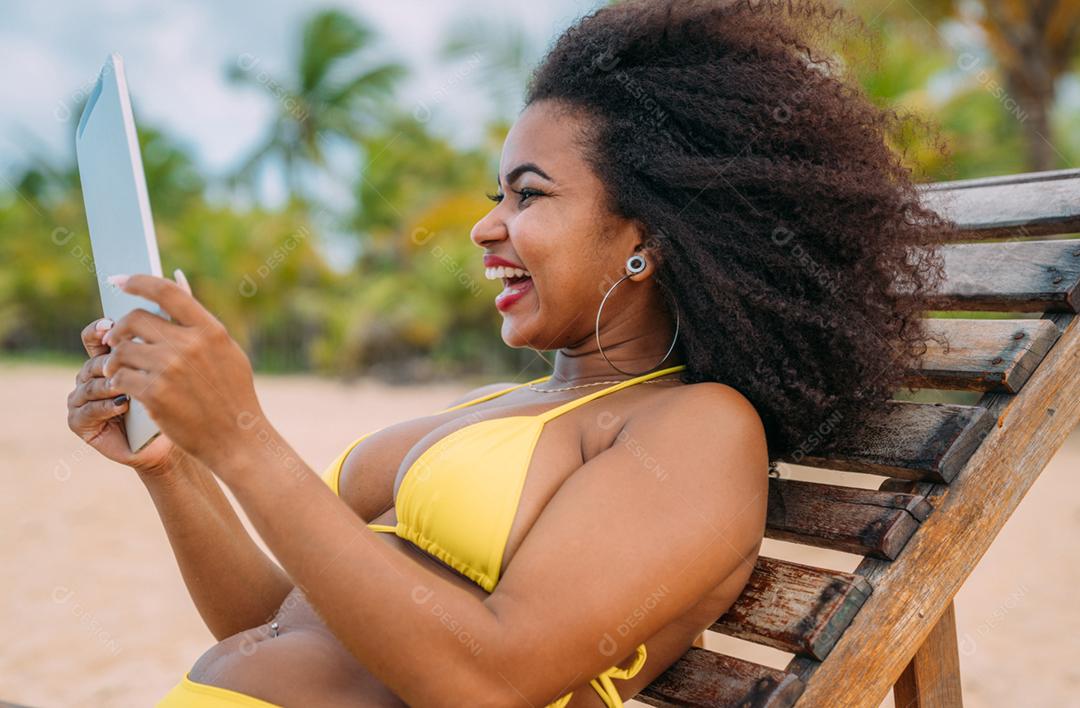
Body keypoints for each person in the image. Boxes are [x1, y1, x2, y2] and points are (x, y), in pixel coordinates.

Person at [65, 0, 950, 705]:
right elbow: (283, 621)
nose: (488, 227)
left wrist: (243, 438)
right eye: (500, 194)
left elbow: (489, 683)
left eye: (529, 195)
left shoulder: (698, 430)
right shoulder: (505, 405)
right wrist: (173, 465)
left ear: (646, 237)